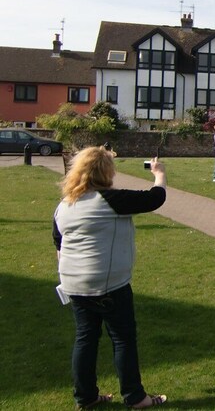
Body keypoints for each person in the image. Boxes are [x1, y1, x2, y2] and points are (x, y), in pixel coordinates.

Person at [52, 146, 168, 409]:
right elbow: (154, 198)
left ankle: (86, 397)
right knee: (122, 338)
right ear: (104, 172)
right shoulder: (109, 199)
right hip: (108, 285)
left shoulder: (65, 205)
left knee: (86, 338)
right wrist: (159, 174)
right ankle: (136, 397)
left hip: (74, 284)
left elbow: (59, 244)